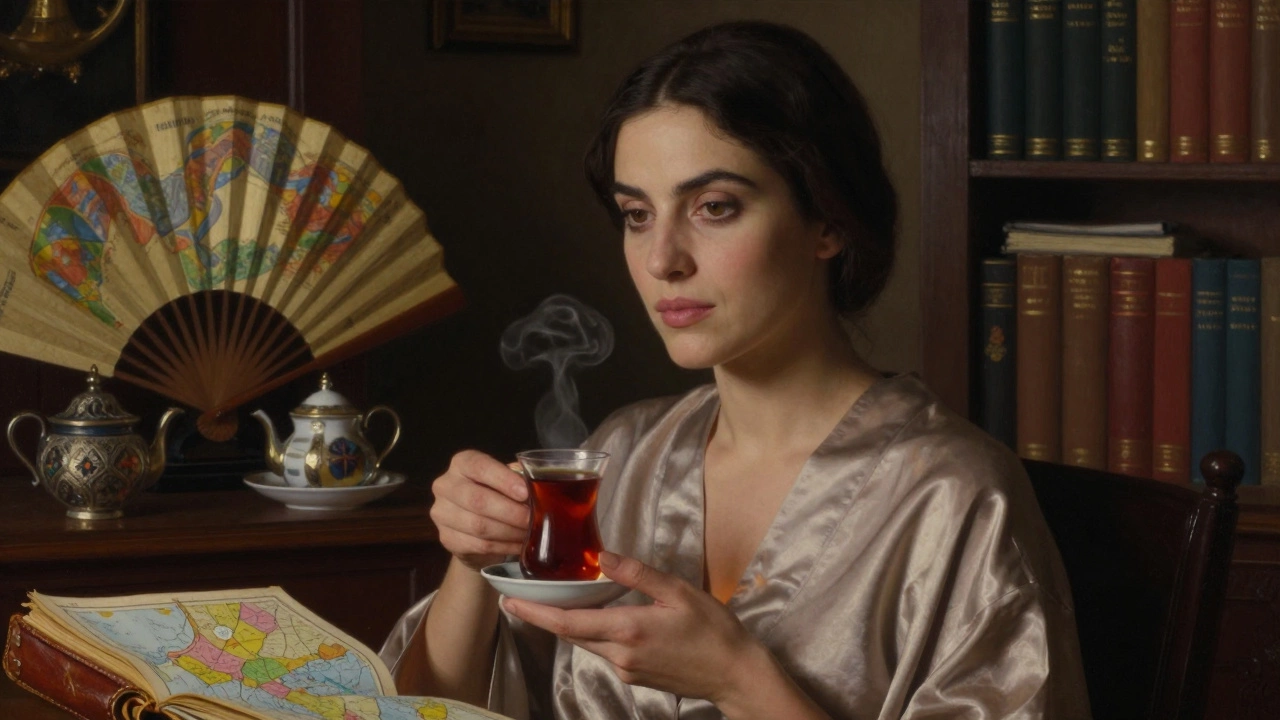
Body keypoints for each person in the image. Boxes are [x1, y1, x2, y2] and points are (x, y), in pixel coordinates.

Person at [381, 20, 1091, 720]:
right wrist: (475, 563)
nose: (663, 260)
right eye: (636, 214)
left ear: (828, 221)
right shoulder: (623, 455)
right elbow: (422, 713)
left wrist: (741, 682)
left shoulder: (956, 498)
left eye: (714, 208)